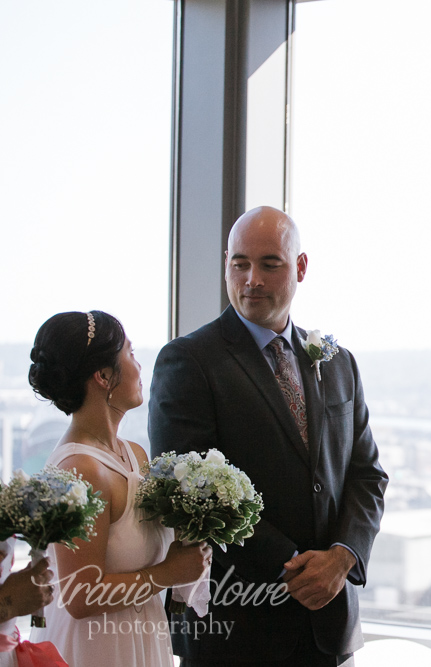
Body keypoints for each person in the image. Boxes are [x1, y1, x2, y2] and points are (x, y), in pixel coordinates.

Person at [147, 206, 388, 666]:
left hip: (330, 626)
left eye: (269, 264)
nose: (251, 278)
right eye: (239, 263)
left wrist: (342, 558)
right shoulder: (189, 362)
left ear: (299, 268)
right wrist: (295, 567)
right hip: (237, 627)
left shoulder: (339, 364)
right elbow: (189, 494)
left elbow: (367, 475)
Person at [26, 311, 212, 666]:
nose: (140, 368)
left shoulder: (136, 455)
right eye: (131, 354)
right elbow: (80, 596)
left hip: (141, 636)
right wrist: (168, 575)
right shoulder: (81, 471)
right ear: (103, 376)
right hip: (97, 649)